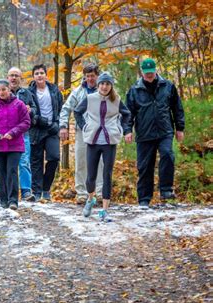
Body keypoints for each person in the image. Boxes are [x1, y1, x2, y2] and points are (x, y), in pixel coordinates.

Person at [126, 58, 185, 208]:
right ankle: (144, 198)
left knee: (167, 154)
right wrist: (127, 130)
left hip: (165, 130)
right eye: (146, 73)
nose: (149, 75)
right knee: (145, 166)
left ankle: (165, 190)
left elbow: (177, 108)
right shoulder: (134, 90)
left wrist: (180, 128)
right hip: (144, 133)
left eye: (151, 72)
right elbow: (128, 113)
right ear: (141, 72)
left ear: (156, 70)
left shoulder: (168, 86)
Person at [74, 72, 132, 221]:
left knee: (107, 174)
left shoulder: (116, 100)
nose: (104, 86)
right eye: (102, 84)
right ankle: (90, 199)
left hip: (110, 141)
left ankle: (105, 210)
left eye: (107, 84)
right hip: (93, 140)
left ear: (111, 85)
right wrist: (84, 126)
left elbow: (127, 115)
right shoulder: (90, 98)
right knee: (91, 175)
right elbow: (77, 112)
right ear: (98, 85)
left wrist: (122, 129)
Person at [0, 79, 30, 210]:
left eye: (4, 89)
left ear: (9, 89)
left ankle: (13, 200)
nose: (1, 92)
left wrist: (13, 132)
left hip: (15, 144)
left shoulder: (19, 104)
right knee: (1, 171)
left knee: (12, 171)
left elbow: (26, 122)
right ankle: (3, 199)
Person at [59, 63, 103, 204]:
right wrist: (63, 126)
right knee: (81, 161)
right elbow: (66, 109)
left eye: (93, 76)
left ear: (97, 76)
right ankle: (82, 194)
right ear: (84, 77)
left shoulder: (105, 89)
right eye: (88, 76)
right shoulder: (78, 91)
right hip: (82, 131)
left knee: (101, 162)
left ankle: (100, 192)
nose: (90, 79)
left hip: (101, 131)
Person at [28, 64, 64, 201]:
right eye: (36, 73)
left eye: (41, 73)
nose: (39, 75)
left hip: (52, 129)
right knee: (36, 161)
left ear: (46, 75)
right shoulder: (29, 92)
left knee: (54, 158)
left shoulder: (54, 90)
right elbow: (26, 111)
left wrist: (58, 123)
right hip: (36, 129)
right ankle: (37, 191)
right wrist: (37, 119)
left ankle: (46, 188)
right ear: (33, 76)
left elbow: (61, 108)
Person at [7, 67, 36, 202]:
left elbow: (35, 109)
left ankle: (26, 191)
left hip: (23, 133)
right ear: (8, 78)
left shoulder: (27, 93)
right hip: (6, 134)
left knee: (24, 162)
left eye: (16, 76)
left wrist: (30, 110)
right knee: (7, 164)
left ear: (21, 78)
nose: (13, 78)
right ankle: (6, 190)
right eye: (11, 75)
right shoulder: (2, 91)